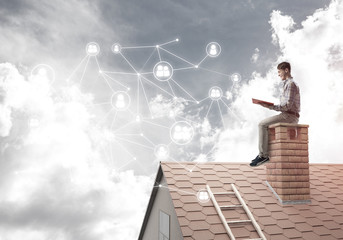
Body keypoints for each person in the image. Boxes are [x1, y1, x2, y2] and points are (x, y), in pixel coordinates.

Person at [250, 62, 300, 167]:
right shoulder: (287, 84)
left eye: (279, 71)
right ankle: (263, 154)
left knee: (262, 124)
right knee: (265, 125)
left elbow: (287, 106)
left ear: (286, 70)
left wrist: (269, 106)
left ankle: (263, 156)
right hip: (287, 115)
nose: (278, 74)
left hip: (289, 116)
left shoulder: (291, 84)